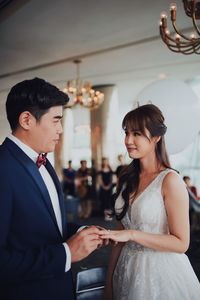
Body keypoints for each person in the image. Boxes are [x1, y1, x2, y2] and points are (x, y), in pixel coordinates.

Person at [0, 78, 102, 300]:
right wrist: (66, 253)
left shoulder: (44, 162)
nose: (62, 129)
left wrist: (83, 232)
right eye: (56, 120)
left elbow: (45, 226)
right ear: (27, 119)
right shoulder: (2, 168)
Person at [100, 104, 200, 300]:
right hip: (126, 269)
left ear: (156, 137)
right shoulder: (126, 177)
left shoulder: (170, 180)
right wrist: (109, 282)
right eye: (126, 132)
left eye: (136, 133)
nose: (128, 140)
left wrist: (131, 234)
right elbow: (119, 237)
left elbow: (181, 243)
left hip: (161, 273)